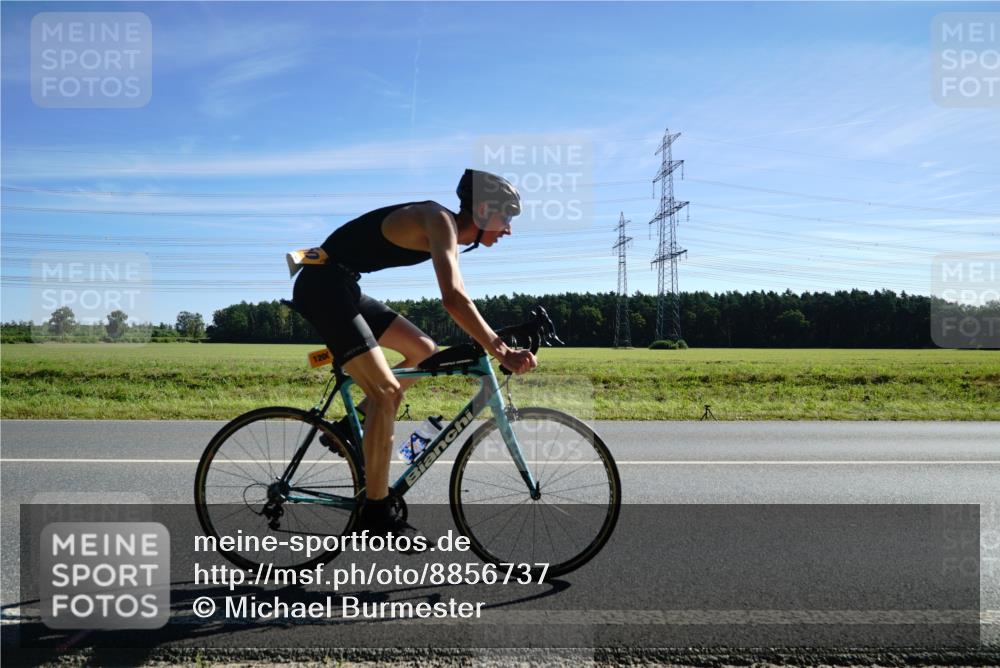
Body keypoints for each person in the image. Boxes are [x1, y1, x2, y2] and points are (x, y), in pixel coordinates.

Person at [291, 169, 538, 537]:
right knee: (387, 391)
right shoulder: (439, 220)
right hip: (323, 287)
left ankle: (348, 427)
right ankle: (376, 514)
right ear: (484, 210)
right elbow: (453, 298)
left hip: (343, 285)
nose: (509, 229)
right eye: (506, 217)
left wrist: (493, 340)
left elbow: (458, 299)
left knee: (424, 350)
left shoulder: (448, 231)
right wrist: (499, 349)